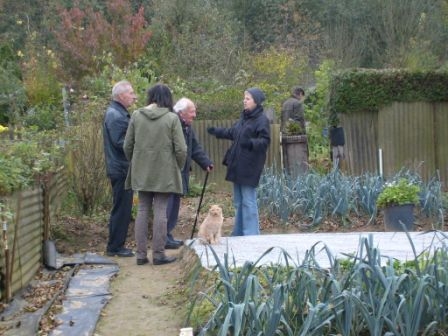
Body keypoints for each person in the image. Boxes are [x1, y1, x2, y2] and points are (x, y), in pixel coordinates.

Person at [123, 84, 187, 266]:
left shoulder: (136, 116)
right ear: (167, 98)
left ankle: (141, 255)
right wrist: (178, 167)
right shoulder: (171, 118)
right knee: (160, 210)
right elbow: (181, 149)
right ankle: (158, 255)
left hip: (141, 171)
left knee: (142, 210)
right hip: (165, 172)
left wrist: (136, 162)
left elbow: (127, 146)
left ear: (150, 97)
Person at [207, 88, 270, 236]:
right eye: (244, 98)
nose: (244, 100)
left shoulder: (261, 120)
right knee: (239, 202)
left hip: (250, 166)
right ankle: (240, 232)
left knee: (248, 201)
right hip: (237, 165)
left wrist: (250, 143)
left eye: (247, 98)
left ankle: (251, 234)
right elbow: (232, 133)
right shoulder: (244, 118)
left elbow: (265, 141)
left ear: (256, 101)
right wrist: (216, 131)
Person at [166, 98, 213, 249]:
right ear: (181, 113)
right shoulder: (172, 124)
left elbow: (195, 147)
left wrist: (205, 162)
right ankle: (164, 236)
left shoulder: (187, 126)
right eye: (192, 112)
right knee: (168, 204)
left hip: (181, 172)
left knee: (174, 205)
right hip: (170, 172)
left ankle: (167, 235)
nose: (195, 115)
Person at [103, 80, 137, 257]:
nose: (134, 96)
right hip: (121, 168)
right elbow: (121, 143)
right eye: (131, 93)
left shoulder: (118, 113)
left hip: (121, 167)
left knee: (123, 208)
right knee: (121, 209)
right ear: (121, 95)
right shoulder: (116, 115)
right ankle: (115, 247)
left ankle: (116, 245)